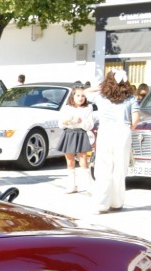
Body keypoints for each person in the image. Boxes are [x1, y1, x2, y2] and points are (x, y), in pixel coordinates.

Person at [90, 69, 139, 213]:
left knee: (103, 167)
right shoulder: (131, 98)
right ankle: (116, 202)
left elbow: (86, 92)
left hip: (105, 131)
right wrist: (128, 129)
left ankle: (101, 203)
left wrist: (99, 87)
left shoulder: (101, 97)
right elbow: (136, 119)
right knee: (119, 168)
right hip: (123, 131)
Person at [56, 86, 95, 193]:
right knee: (70, 161)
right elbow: (60, 123)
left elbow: (90, 125)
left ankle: (88, 186)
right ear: (72, 96)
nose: (81, 98)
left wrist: (80, 121)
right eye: (78, 95)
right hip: (69, 134)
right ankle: (72, 186)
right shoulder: (67, 107)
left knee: (83, 160)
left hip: (81, 134)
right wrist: (65, 122)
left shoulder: (88, 108)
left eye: (83, 96)